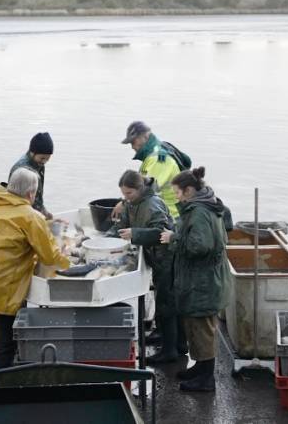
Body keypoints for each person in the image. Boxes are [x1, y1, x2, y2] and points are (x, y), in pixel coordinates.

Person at [0, 168, 70, 368]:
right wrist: (71, 262)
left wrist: (46, 223)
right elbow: (50, 257)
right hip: (4, 289)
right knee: (5, 343)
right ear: (31, 194)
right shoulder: (30, 216)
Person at [160, 166, 232, 392]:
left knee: (203, 328)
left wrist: (174, 237)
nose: (176, 197)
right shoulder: (207, 204)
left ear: (189, 190)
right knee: (196, 326)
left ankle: (206, 379)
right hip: (204, 278)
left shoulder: (199, 212)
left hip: (202, 281)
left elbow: (199, 247)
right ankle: (200, 367)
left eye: (178, 193)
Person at [105, 170, 179, 363]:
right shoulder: (132, 203)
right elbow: (121, 226)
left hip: (167, 257)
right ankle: (162, 334)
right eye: (123, 194)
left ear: (139, 189)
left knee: (166, 300)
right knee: (159, 296)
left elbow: (161, 233)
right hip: (153, 256)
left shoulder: (153, 205)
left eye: (128, 193)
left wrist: (135, 233)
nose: (125, 198)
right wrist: (104, 241)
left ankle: (171, 349)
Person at [119, 121, 181, 218]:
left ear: (145, 137)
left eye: (133, 142)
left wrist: (124, 204)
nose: (132, 147)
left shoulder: (159, 159)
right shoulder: (151, 155)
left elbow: (149, 190)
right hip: (158, 211)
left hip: (170, 217)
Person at [10, 132, 54, 219]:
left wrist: (45, 213)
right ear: (32, 152)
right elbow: (19, 199)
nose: (44, 162)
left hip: (32, 211)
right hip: (23, 214)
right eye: (42, 158)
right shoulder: (22, 170)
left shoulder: (38, 164)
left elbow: (37, 196)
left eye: (47, 159)